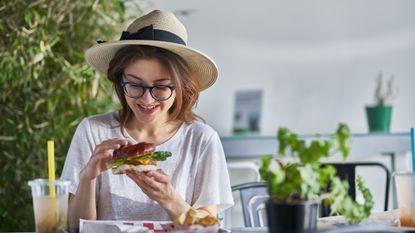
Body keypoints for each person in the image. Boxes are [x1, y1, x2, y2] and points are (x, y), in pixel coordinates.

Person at [61, 10, 234, 228]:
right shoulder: (93, 130)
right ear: (120, 80)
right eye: (135, 84)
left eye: (160, 87)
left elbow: (209, 228)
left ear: (180, 87)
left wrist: (169, 199)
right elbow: (76, 227)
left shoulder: (202, 139)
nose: (146, 99)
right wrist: (87, 177)